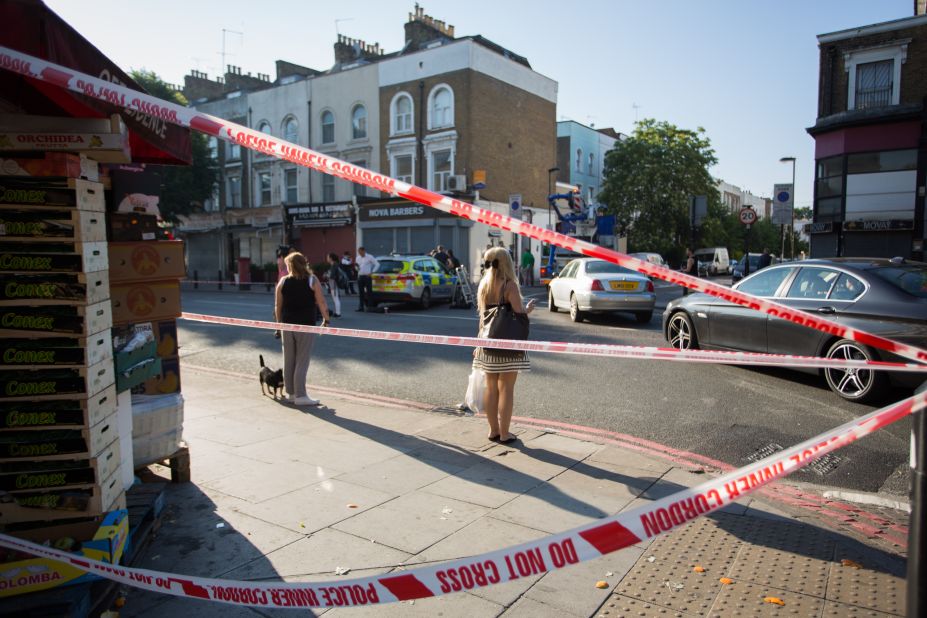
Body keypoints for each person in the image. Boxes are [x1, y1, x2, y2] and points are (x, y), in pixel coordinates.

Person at [472, 247, 535, 443]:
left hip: (487, 342)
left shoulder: (483, 285)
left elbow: (483, 318)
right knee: (506, 388)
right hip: (508, 345)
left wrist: (477, 343)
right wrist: (528, 309)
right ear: (506, 262)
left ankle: (493, 431)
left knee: (491, 388)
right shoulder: (509, 286)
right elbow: (518, 312)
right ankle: (505, 433)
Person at [274, 252, 330, 406]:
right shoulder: (312, 280)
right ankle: (300, 395)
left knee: (289, 360)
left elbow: (278, 306)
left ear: (290, 265)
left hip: (286, 324)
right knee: (302, 360)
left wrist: (278, 325)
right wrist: (326, 319)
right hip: (305, 325)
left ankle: (291, 393)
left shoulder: (283, 281)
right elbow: (322, 302)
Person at [355, 246, 379, 312]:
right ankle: (361, 307)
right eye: (359, 252)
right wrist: (356, 268)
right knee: (361, 293)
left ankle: (370, 307)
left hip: (367, 277)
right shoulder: (358, 258)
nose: (360, 254)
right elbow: (356, 267)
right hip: (360, 276)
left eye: (361, 252)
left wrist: (372, 272)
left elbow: (377, 264)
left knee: (369, 292)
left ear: (364, 251)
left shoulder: (370, 257)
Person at [325, 252, 345, 318]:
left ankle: (338, 313)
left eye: (328, 257)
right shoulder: (335, 264)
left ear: (331, 258)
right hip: (334, 283)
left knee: (336, 298)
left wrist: (326, 275)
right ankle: (337, 312)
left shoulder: (334, 265)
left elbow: (332, 276)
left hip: (334, 284)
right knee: (336, 298)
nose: (327, 258)